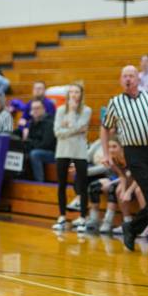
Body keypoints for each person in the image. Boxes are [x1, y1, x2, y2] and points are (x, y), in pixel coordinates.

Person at [101, 65, 148, 259]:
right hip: (134, 153)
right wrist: (106, 154)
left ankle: (132, 228)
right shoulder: (115, 102)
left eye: (132, 76)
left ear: (138, 79)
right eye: (125, 76)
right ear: (121, 80)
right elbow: (105, 128)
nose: (128, 79)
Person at [51, 84, 92, 232]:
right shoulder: (61, 110)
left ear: (81, 94)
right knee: (61, 184)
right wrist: (74, 129)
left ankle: (82, 217)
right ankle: (62, 216)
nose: (74, 95)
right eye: (71, 92)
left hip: (80, 151)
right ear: (68, 95)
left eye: (77, 92)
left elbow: (80, 126)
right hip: (62, 150)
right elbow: (57, 132)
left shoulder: (86, 110)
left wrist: (71, 116)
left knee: (82, 184)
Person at [24, 100, 56, 182]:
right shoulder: (32, 123)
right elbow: (29, 141)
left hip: (52, 153)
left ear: (43, 109)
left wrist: (31, 144)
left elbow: (46, 144)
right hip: (38, 149)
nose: (35, 110)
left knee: (35, 154)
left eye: (38, 108)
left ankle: (39, 182)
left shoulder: (50, 122)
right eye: (33, 108)